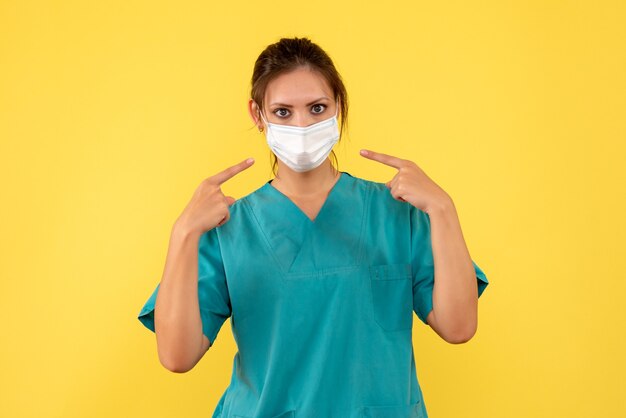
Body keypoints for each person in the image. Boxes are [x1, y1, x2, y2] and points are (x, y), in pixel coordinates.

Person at [137, 36, 489, 418]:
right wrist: (183, 233)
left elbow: (459, 327)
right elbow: (176, 356)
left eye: (317, 108)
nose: (302, 125)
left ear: (339, 106)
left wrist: (443, 208)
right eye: (283, 112)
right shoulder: (229, 228)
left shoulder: (395, 213)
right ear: (257, 115)